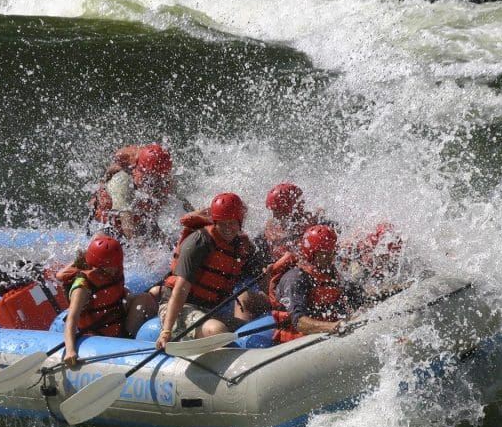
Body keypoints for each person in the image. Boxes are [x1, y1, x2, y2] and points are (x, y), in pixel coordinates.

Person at [156, 192, 258, 349]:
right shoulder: (199, 241)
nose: (228, 229)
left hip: (210, 310)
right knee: (218, 331)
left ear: (240, 222)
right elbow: (180, 289)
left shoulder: (242, 245)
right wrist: (166, 331)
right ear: (214, 222)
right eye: (222, 224)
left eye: (232, 223)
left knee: (251, 330)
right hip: (179, 307)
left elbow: (262, 277)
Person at [60, 235, 157, 368]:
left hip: (117, 320)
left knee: (149, 295)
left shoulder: (113, 272)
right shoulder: (82, 285)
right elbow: (72, 317)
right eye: (110, 266)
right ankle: (128, 343)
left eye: (117, 265)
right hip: (98, 334)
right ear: (97, 265)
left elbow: (117, 292)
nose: (115, 269)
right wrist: (70, 350)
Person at [270, 224, 361, 343]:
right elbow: (298, 322)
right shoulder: (295, 278)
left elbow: (359, 298)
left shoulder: (331, 275)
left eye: (332, 252)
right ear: (311, 254)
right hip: (296, 343)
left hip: (325, 336)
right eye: (324, 253)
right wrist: (331, 327)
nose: (330, 258)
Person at [86, 143, 193, 242]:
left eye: (161, 178)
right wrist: (142, 250)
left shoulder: (165, 178)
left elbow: (184, 203)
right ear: (142, 172)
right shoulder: (123, 181)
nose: (158, 184)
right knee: (105, 243)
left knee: (167, 242)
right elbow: (127, 225)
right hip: (108, 225)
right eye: (153, 178)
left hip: (139, 222)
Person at [256, 183, 329, 264]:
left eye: (278, 211)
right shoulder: (267, 234)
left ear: (292, 209)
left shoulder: (317, 224)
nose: (274, 216)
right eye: (273, 211)